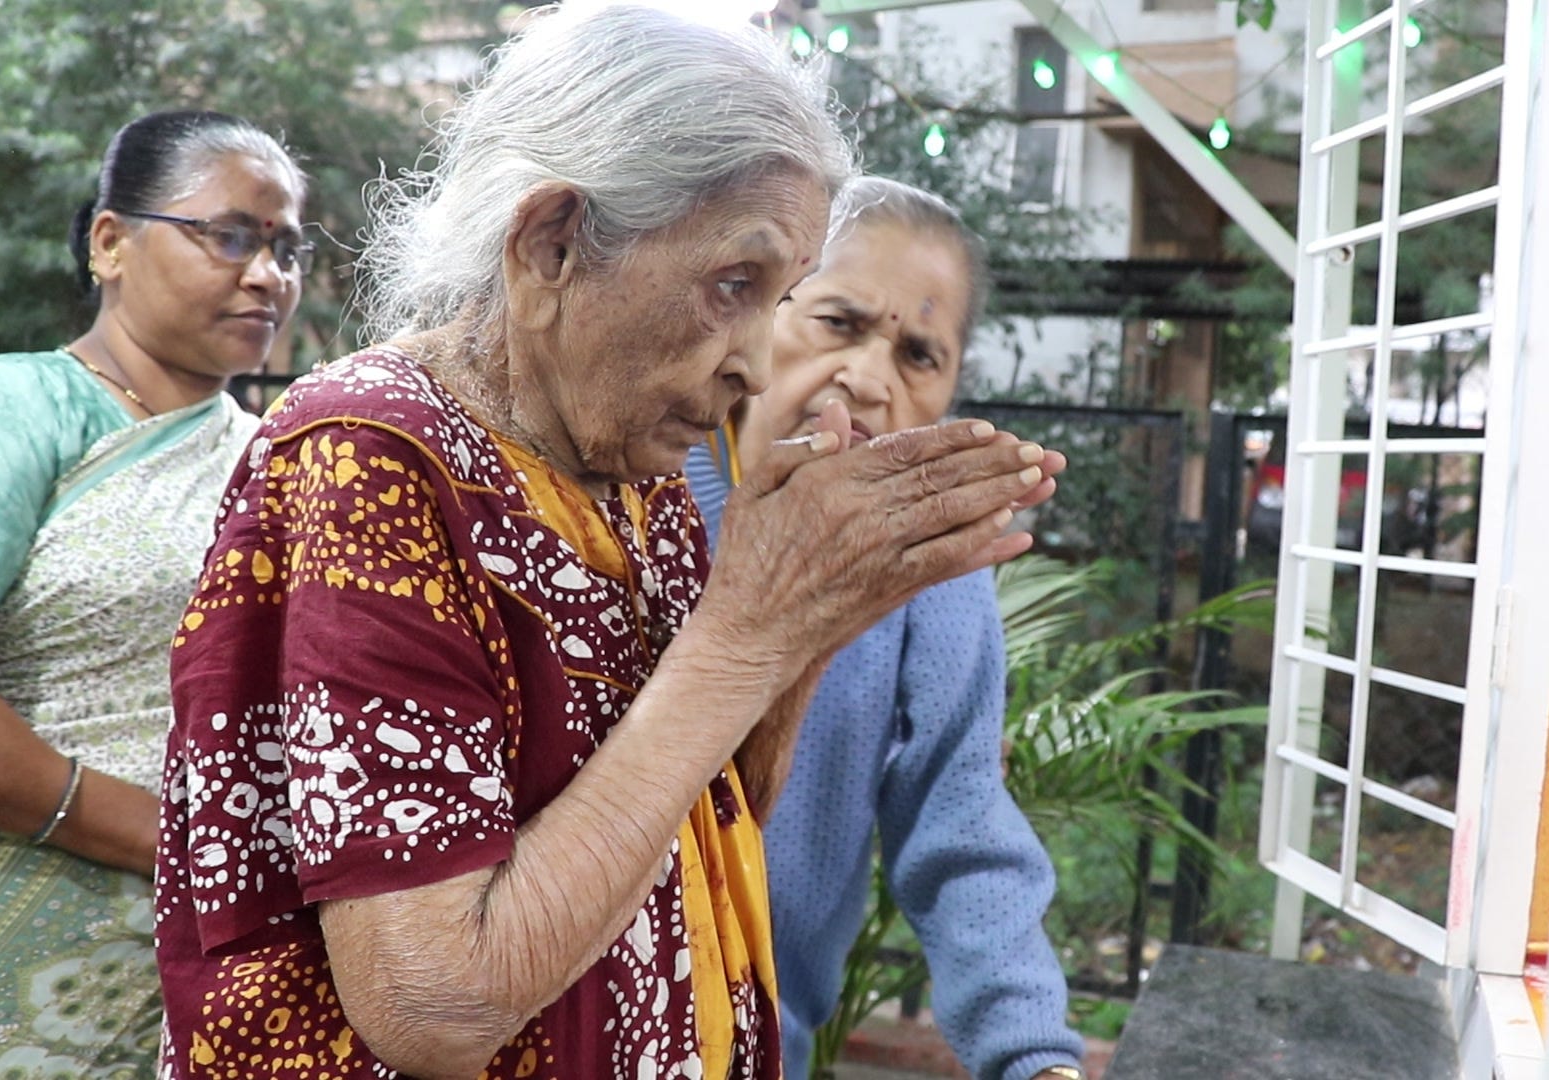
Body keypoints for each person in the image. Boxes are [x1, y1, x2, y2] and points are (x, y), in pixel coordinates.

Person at [153, 8, 1062, 1080]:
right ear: (554, 243)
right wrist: (750, 634)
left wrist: (818, 616)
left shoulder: (630, 467)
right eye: (737, 284)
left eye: (782, 300)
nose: (760, 370)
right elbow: (432, 1002)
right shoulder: (374, 460)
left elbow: (691, 820)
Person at [0, 109, 307, 1076]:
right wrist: (168, 839)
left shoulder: (278, 456)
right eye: (231, 235)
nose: (266, 275)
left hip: (216, 960)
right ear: (110, 243)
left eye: (286, 248)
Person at [685, 176, 1087, 1080]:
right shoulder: (640, 490)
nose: (867, 378)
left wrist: (1036, 1060)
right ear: (761, 311)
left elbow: (963, 827)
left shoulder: (934, 572)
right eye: (838, 322)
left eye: (918, 353)